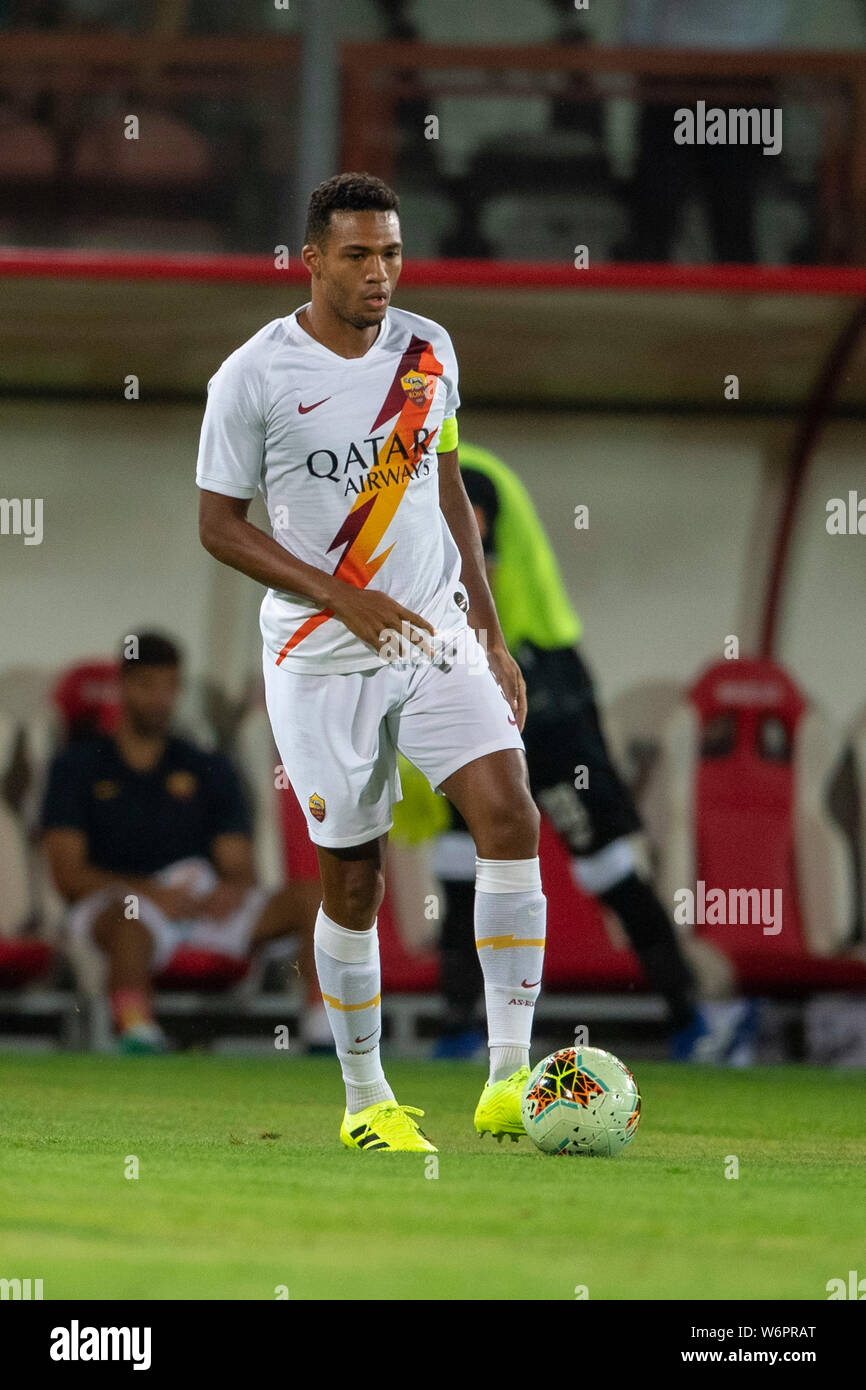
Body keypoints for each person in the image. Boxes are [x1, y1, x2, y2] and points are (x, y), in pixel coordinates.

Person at [196, 172, 544, 1153]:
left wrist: (487, 627)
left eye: (390, 252)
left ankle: (507, 1079)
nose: (378, 272)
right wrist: (339, 591)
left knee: (508, 811)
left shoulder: (428, 350)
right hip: (319, 651)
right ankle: (365, 1100)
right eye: (356, 254)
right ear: (310, 259)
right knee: (352, 881)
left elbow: (445, 493)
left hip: (430, 631)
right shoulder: (252, 377)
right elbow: (218, 527)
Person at [392, 442, 713, 1061]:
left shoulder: (465, 475)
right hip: (469, 686)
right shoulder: (402, 472)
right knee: (462, 862)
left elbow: (469, 560)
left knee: (607, 863)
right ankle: (460, 1029)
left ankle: (691, 1019)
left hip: (542, 698)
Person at [40, 632, 321, 1053]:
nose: (160, 699)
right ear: (123, 685)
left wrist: (231, 890)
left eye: (170, 686)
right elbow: (68, 875)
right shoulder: (75, 767)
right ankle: (137, 1033)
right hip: (123, 903)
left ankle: (324, 1034)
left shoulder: (207, 765)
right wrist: (153, 894)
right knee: (129, 921)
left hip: (200, 901)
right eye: (147, 685)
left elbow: (238, 863)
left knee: (314, 898)